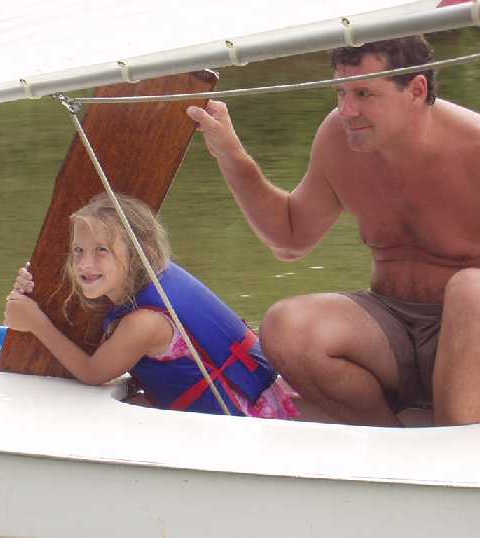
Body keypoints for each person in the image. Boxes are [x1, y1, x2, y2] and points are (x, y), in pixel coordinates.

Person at [186, 35, 480, 427]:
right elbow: (290, 238)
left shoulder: (473, 147)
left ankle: (455, 450)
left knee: (471, 291)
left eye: (364, 93)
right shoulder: (339, 138)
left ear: (416, 89)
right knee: (287, 326)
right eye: (341, 91)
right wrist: (231, 154)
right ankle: (389, 443)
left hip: (471, 337)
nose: (347, 110)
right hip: (391, 330)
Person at [4, 192, 298, 419]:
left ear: (137, 254)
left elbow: (93, 373)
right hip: (264, 400)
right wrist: (35, 281)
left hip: (242, 424)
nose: (84, 264)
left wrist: (35, 323)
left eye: (101, 250)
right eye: (78, 250)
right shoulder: (154, 278)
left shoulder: (144, 323)